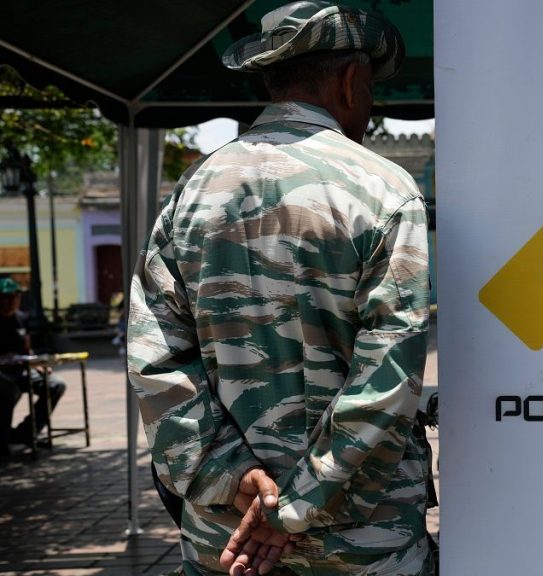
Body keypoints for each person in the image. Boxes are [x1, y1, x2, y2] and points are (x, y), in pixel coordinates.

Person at [127, 2, 432, 574]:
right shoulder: (384, 190)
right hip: (360, 539)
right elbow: (388, 373)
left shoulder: (192, 190)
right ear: (349, 81)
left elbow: (156, 358)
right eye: (368, 87)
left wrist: (233, 477)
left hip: (229, 534)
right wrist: (296, 505)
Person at [0, 278, 66, 461]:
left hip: (22, 369)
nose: (12, 302)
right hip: (3, 374)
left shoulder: (21, 319)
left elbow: (26, 348)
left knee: (55, 385)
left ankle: (27, 433)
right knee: (7, 389)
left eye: (15, 298)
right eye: (7, 298)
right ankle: (3, 438)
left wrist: (38, 365)